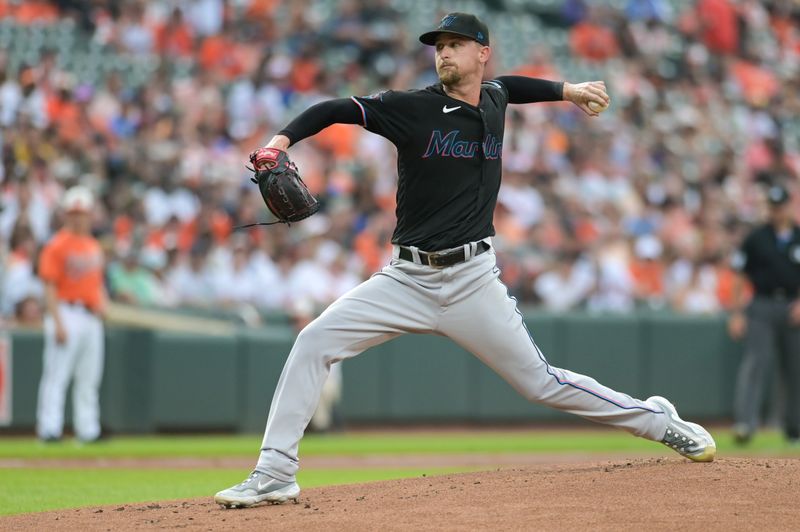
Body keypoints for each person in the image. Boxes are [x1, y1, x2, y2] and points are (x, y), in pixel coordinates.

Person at [215, 13, 716, 509]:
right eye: (439, 46)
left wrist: (568, 89)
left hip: (472, 279)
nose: (444, 53)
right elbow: (335, 109)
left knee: (541, 383)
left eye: (456, 44)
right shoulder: (411, 108)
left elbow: (511, 87)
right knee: (314, 342)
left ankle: (658, 420)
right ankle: (275, 473)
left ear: (482, 53)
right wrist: (279, 142)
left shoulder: (493, 98)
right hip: (406, 278)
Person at [729, 183, 800, 445]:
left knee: (795, 368)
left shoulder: (798, 236)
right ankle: (745, 424)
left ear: (788, 207)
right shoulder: (756, 238)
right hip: (761, 304)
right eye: (772, 206)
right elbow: (739, 276)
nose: (776, 211)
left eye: (780, 206)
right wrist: (736, 313)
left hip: (793, 306)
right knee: (756, 363)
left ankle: (794, 428)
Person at [36, 186, 106, 443]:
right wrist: (57, 321)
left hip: (90, 316)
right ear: (67, 214)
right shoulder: (56, 245)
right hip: (66, 311)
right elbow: (49, 286)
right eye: (74, 213)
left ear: (89, 215)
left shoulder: (92, 244)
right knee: (57, 375)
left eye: (82, 213)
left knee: (89, 377)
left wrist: (102, 303)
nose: (78, 218)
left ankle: (88, 430)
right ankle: (49, 429)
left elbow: (96, 283)